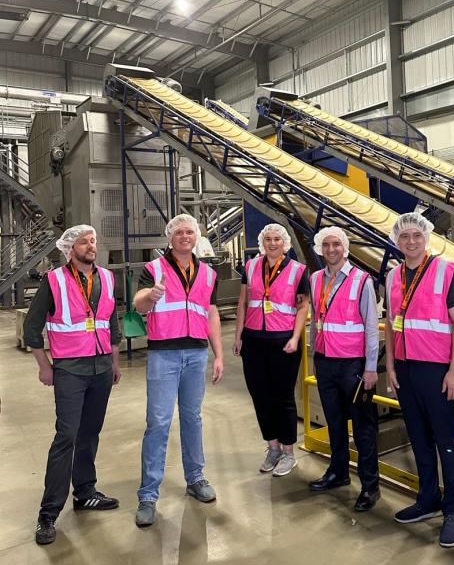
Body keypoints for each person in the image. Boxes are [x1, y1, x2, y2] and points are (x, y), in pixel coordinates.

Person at [24, 225, 122, 546]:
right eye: (84, 242)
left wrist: (114, 362)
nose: (91, 246)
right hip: (70, 370)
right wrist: (44, 366)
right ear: (70, 249)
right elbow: (32, 327)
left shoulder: (107, 278)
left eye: (93, 241)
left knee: (90, 432)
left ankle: (85, 491)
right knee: (66, 436)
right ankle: (48, 513)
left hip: (101, 368)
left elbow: (112, 323)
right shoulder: (54, 281)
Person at [133, 213, 224, 528]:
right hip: (164, 355)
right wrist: (151, 295)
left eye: (190, 232)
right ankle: (148, 495)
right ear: (170, 237)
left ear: (196, 236)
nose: (185, 236)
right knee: (158, 423)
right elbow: (139, 304)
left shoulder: (208, 273)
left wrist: (218, 355)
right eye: (179, 232)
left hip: (196, 354)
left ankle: (195, 478)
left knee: (192, 418)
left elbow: (211, 314)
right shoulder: (154, 269)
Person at [385, 212, 454, 548]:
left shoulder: (445, 270)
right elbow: (391, 322)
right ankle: (428, 498)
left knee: (446, 439)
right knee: (418, 437)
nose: (411, 241)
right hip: (405, 369)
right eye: (404, 236)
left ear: (426, 238)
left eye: (416, 235)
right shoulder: (392, 276)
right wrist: (390, 366)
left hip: (437, 369)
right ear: (397, 241)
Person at [307, 227, 380, 511]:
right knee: (334, 422)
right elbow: (316, 320)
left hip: (353, 365)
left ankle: (370, 486)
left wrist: (371, 368)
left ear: (345, 247)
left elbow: (371, 327)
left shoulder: (362, 280)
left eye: (336, 244)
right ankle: (338, 472)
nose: (331, 249)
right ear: (320, 248)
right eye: (326, 245)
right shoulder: (315, 279)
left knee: (363, 427)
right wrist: (315, 355)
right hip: (326, 361)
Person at [233, 223, 309, 477]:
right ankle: (273, 448)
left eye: (277, 239)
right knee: (260, 396)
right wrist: (238, 335)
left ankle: (289, 453)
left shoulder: (298, 270)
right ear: (262, 242)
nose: (272, 243)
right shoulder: (251, 266)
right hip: (253, 341)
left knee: (283, 397)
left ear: (285, 243)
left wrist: (295, 337)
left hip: (283, 342)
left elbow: (303, 307)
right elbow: (243, 302)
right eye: (268, 239)